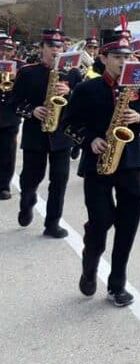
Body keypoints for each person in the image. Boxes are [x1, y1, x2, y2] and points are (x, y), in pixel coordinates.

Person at [63, 28, 140, 306]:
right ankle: (90, 265)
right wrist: (90, 140)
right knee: (100, 222)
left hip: (131, 164)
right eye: (117, 56)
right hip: (97, 165)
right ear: (103, 58)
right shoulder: (86, 88)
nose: (124, 62)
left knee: (127, 227)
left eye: (127, 56)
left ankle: (117, 284)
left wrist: (139, 118)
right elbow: (69, 124)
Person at [10, 23, 81, 237]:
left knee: (59, 181)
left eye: (59, 46)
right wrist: (32, 110)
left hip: (61, 135)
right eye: (51, 46)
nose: (55, 50)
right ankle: (27, 200)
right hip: (35, 133)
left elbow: (82, 104)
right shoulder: (27, 72)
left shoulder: (73, 74)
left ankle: (52, 223)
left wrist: (69, 92)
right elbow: (13, 102)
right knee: (30, 178)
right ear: (42, 48)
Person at [0, 35, 20, 200]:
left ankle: (3, 186)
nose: (4, 53)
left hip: (9, 116)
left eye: (8, 50)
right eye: (1, 49)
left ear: (13, 52)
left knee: (7, 152)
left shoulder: (20, 67)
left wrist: (16, 79)